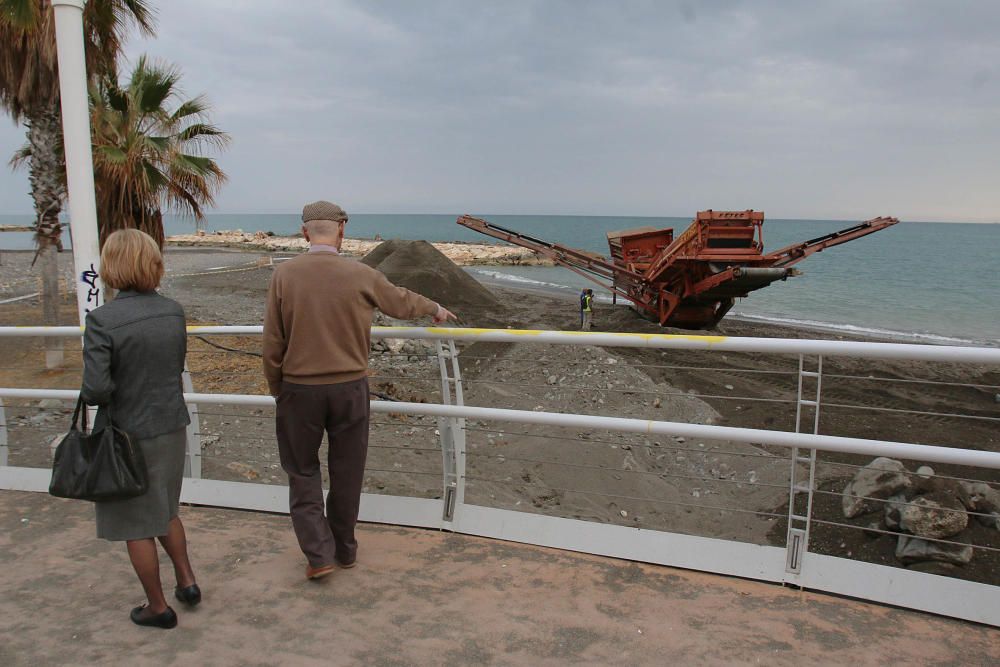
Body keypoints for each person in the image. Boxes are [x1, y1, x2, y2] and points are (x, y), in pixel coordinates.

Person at [263, 200, 457, 580]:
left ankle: (319, 555)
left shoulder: (284, 275)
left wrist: (277, 387)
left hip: (299, 390)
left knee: (302, 472)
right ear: (342, 230)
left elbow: (273, 342)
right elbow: (399, 301)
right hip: (350, 388)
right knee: (347, 471)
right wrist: (434, 306)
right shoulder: (360, 273)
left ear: (304, 232)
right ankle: (345, 549)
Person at [80, 229, 199, 630]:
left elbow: (96, 389)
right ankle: (187, 582)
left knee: (136, 523)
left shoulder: (102, 320)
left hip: (126, 433)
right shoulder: (173, 311)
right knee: (165, 510)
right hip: (170, 425)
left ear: (111, 265)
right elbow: (174, 365)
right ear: (153, 263)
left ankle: (157, 607)